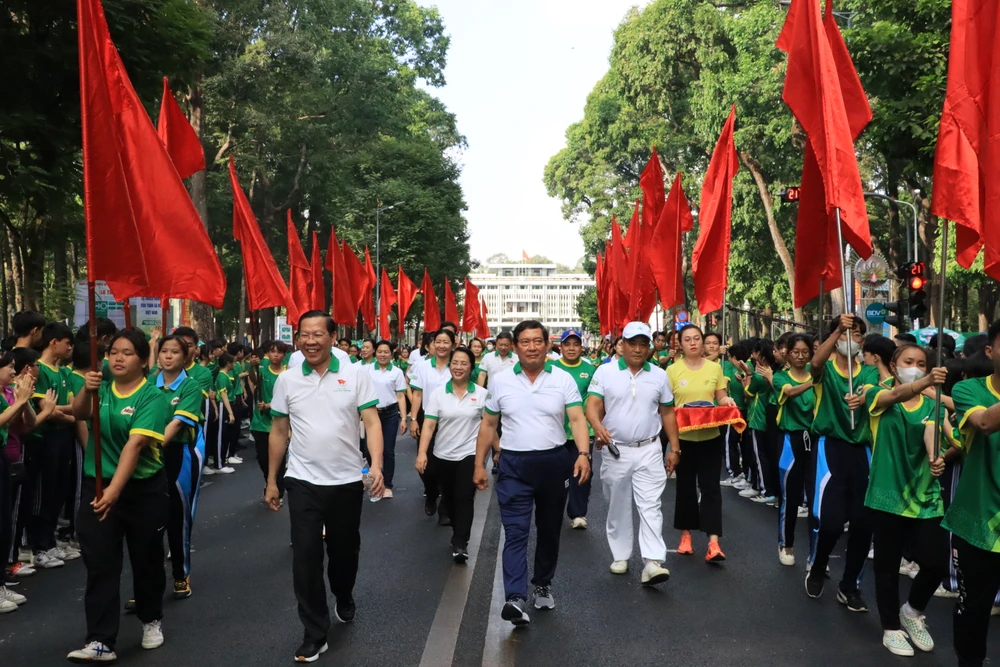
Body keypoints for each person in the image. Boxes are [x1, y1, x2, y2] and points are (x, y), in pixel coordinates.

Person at [265, 310, 384, 664]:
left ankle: (343, 593)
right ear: (297, 339)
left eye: (318, 334)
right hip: (302, 480)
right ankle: (315, 633)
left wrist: (376, 466)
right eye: (304, 335)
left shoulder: (356, 374)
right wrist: (272, 480)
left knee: (344, 553)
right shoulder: (287, 380)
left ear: (333, 338)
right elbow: (279, 430)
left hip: (346, 481)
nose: (311, 341)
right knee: (305, 557)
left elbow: (371, 422)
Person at [473, 320, 591, 626]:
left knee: (549, 529)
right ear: (515, 347)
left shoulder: (562, 378)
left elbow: (577, 419)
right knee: (515, 532)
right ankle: (515, 597)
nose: (532, 348)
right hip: (514, 465)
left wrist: (583, 454)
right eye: (524, 342)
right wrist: (479, 464)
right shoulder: (500, 381)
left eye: (537, 341)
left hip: (554, 462)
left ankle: (542, 583)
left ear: (547, 345)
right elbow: (488, 424)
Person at [67, 329, 170, 662]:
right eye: (113, 352)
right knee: (100, 563)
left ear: (143, 360)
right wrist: (86, 389)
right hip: (97, 486)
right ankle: (100, 640)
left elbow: (135, 445)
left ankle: (151, 618)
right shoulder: (101, 387)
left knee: (146, 559)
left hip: (142, 490)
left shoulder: (151, 396)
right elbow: (79, 413)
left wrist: (115, 491)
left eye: (127, 352)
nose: (118, 358)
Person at [864, 344, 950, 657]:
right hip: (887, 495)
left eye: (921, 363)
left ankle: (912, 612)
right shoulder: (875, 392)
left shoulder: (934, 403)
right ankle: (890, 627)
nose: (915, 367)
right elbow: (896, 396)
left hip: (925, 496)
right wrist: (926, 382)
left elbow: (935, 435)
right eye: (908, 361)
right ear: (893, 365)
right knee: (887, 567)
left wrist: (938, 457)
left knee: (936, 563)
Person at [587, 322, 677, 585]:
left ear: (648, 347)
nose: (638, 349)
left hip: (650, 448)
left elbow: (668, 412)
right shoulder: (605, 372)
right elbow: (592, 404)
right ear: (622, 345)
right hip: (616, 449)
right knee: (618, 503)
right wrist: (597, 426)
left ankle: (652, 561)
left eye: (643, 344)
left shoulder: (659, 375)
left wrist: (674, 448)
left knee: (651, 504)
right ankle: (620, 555)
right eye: (632, 344)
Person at [804, 314, 879, 608]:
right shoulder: (826, 370)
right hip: (830, 447)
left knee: (863, 523)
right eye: (846, 333)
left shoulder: (869, 372)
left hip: (861, 450)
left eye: (856, 334)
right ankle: (818, 565)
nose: (851, 338)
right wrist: (837, 330)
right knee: (832, 522)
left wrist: (863, 399)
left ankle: (850, 586)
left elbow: (873, 391)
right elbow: (815, 364)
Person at [944, 318, 1000, 667]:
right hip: (978, 524)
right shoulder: (968, 391)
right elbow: (984, 423)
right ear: (990, 351)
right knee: (973, 615)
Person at [667, 324, 737, 562]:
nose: (693, 343)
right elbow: (667, 408)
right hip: (684, 439)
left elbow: (720, 396)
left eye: (697, 338)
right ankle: (685, 536)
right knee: (685, 488)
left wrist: (727, 401)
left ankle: (713, 543)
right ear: (680, 344)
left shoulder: (715, 368)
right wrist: (672, 446)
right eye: (687, 339)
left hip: (710, 438)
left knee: (711, 488)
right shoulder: (672, 371)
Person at [416, 347, 483, 562]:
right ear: (450, 365)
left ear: (471, 367)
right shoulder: (438, 393)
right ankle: (456, 526)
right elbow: (429, 425)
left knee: (464, 497)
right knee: (450, 498)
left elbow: (489, 426)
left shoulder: (481, 394)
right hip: (442, 454)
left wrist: (497, 450)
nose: (459, 367)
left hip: (469, 454)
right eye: (455, 363)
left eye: (464, 363)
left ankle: (460, 542)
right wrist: (422, 453)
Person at [152, 335, 205, 601]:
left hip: (178, 453)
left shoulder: (191, 386)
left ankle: (181, 574)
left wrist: (145, 446)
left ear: (185, 357)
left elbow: (176, 424)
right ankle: (147, 584)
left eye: (175, 352)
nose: (169, 356)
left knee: (178, 517)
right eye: (164, 351)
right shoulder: (147, 383)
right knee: (147, 523)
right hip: (147, 454)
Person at [31, 322, 78, 569]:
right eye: (67, 343)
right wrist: (69, 415)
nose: (70, 348)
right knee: (46, 491)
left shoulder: (62, 372)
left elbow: (71, 405)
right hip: (47, 437)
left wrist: (64, 412)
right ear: (54, 342)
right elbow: (47, 410)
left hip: (63, 437)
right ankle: (39, 546)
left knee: (60, 489)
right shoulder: (40, 370)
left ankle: (50, 542)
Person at [772, 333, 815, 566]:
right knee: (790, 497)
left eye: (805, 352)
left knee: (816, 499)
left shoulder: (816, 373)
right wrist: (815, 381)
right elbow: (789, 392)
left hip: (815, 439)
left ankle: (816, 554)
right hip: (790, 439)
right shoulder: (780, 376)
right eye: (795, 352)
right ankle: (786, 544)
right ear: (787, 354)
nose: (800, 356)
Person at [0, 360, 39, 612]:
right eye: (9, 366)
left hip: (5, 458)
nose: (14, 372)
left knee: (5, 524)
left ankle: (1, 583)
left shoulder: (6, 394)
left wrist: (24, 399)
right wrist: (21, 399)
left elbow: (30, 423)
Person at [408, 329, 455, 523]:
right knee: (426, 465)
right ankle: (431, 492)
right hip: (427, 419)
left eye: (446, 342)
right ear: (432, 344)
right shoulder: (422, 366)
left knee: (448, 465)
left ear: (453, 344)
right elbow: (417, 394)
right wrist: (413, 419)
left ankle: (445, 509)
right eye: (438, 342)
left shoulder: (457, 364)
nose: (442, 346)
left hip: (452, 421)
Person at [552, 329, 595, 529]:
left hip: (582, 430)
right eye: (567, 344)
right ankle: (553, 509)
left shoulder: (590, 370)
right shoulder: (550, 368)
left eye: (575, 344)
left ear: (581, 347)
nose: (571, 348)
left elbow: (596, 401)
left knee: (582, 471)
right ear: (560, 347)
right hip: (555, 430)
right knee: (555, 474)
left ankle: (578, 513)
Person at [367, 341, 406, 498]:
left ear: (391, 354)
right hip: (371, 413)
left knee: (388, 450)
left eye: (386, 352)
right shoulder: (366, 370)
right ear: (375, 353)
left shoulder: (397, 372)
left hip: (390, 413)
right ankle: (375, 479)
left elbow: (400, 395)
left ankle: (387, 484)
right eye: (380, 351)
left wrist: (404, 418)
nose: (382, 355)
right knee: (369, 450)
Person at [251, 341, 287, 500]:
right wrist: (252, 367)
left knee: (278, 458)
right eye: (273, 352)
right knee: (262, 458)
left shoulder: (287, 374)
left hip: (279, 422)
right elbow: (253, 379)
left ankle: (279, 488)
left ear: (284, 355)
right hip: (260, 422)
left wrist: (269, 405)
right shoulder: (262, 369)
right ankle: (270, 481)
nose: (276, 355)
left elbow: (288, 399)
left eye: (279, 352)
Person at [209, 353, 237, 475]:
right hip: (223, 406)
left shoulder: (224, 376)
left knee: (225, 435)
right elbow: (223, 395)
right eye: (233, 362)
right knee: (220, 436)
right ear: (228, 363)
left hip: (227, 405)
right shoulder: (222, 376)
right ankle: (218, 465)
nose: (234, 364)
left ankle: (222, 461)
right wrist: (230, 413)